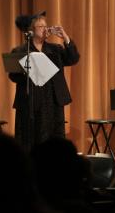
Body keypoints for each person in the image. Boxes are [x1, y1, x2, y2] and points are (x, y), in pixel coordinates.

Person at [9, 11, 79, 151]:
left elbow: (73, 59)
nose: (45, 29)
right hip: (30, 102)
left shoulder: (56, 49)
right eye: (41, 26)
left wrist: (65, 38)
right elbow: (13, 76)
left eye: (46, 26)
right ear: (31, 30)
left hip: (52, 102)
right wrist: (27, 72)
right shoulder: (20, 51)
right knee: (30, 140)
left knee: (54, 142)